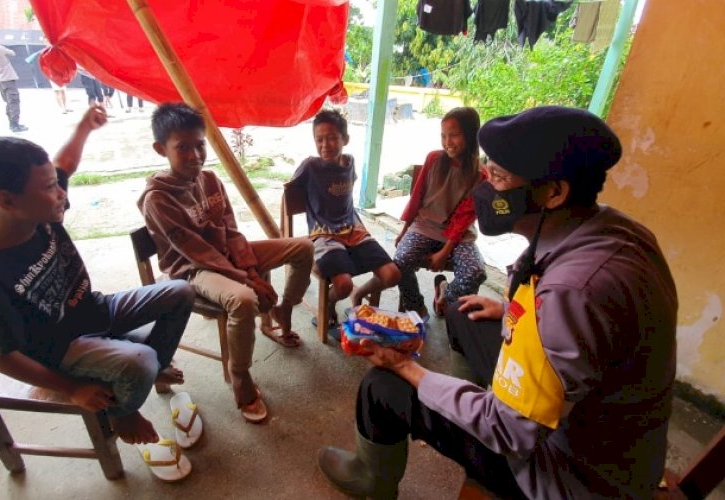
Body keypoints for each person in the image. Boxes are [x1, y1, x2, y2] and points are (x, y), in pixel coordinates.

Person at [316, 106, 678, 499]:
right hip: (586, 429)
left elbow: (511, 430)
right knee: (462, 311)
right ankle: (460, 398)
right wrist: (510, 311)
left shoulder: (575, 291)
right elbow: (585, 332)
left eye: (500, 178)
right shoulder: (613, 230)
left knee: (383, 384)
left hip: (562, 472)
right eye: (487, 172)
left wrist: (408, 369)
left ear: (554, 192)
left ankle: (372, 479)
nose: (485, 189)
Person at [0, 105, 195, 445]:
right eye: (52, 186)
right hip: (59, 350)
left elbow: (64, 163)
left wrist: (84, 127)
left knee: (180, 292)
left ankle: (152, 372)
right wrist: (71, 389)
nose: (62, 193)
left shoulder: (37, 212)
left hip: (94, 311)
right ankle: (122, 413)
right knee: (140, 361)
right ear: (7, 201)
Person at [137, 103, 314, 423]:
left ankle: (284, 308)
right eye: (183, 148)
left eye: (200, 145)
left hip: (228, 257)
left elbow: (232, 231)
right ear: (160, 149)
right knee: (243, 299)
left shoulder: (211, 180)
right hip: (193, 269)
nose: (195, 155)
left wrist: (248, 268)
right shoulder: (157, 199)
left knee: (302, 247)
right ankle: (240, 375)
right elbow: (198, 253)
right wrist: (249, 281)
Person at [286, 109, 400, 333]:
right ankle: (327, 305)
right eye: (319, 139)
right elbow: (290, 193)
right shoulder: (311, 166)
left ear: (345, 139)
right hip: (324, 234)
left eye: (332, 138)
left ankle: (360, 294)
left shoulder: (350, 162)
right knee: (343, 284)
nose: (325, 145)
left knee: (392, 274)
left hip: (354, 230)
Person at [393, 107, 487, 321]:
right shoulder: (434, 159)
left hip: (459, 235)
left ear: (471, 135)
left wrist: (444, 252)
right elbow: (416, 198)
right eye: (443, 136)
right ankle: (416, 305)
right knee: (400, 259)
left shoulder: (480, 174)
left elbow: (463, 219)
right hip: (425, 226)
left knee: (475, 272)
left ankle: (446, 297)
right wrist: (405, 230)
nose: (447, 142)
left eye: (454, 135)